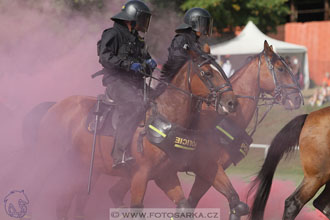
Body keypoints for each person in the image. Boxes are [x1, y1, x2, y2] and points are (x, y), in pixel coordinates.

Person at [97, 0, 157, 168]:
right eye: (143, 19)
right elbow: (104, 57)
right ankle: (120, 154)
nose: (145, 23)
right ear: (132, 18)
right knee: (134, 105)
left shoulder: (138, 40)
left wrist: (149, 64)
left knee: (161, 100)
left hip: (135, 83)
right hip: (117, 82)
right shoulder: (113, 34)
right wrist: (128, 65)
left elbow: (146, 61)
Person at [154, 7, 213, 94]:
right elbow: (177, 59)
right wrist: (196, 57)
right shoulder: (181, 38)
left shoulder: (195, 42)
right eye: (204, 24)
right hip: (171, 83)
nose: (205, 28)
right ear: (195, 24)